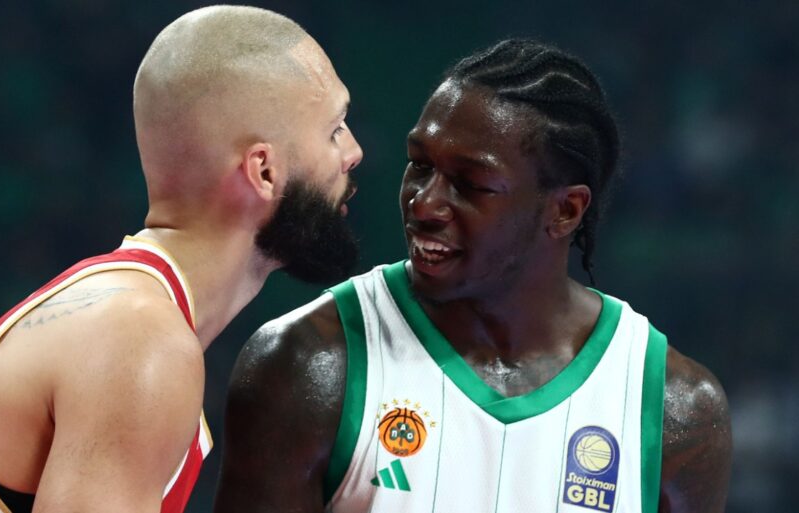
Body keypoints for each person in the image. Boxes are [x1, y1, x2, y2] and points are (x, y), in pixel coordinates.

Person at [214, 39, 731, 513]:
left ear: (566, 211)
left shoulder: (674, 412)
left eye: (471, 184)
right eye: (420, 165)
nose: (424, 204)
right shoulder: (307, 366)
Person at [0, 5, 362, 513]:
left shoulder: (121, 314)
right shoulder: (140, 345)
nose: (354, 151)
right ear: (264, 172)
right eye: (335, 129)